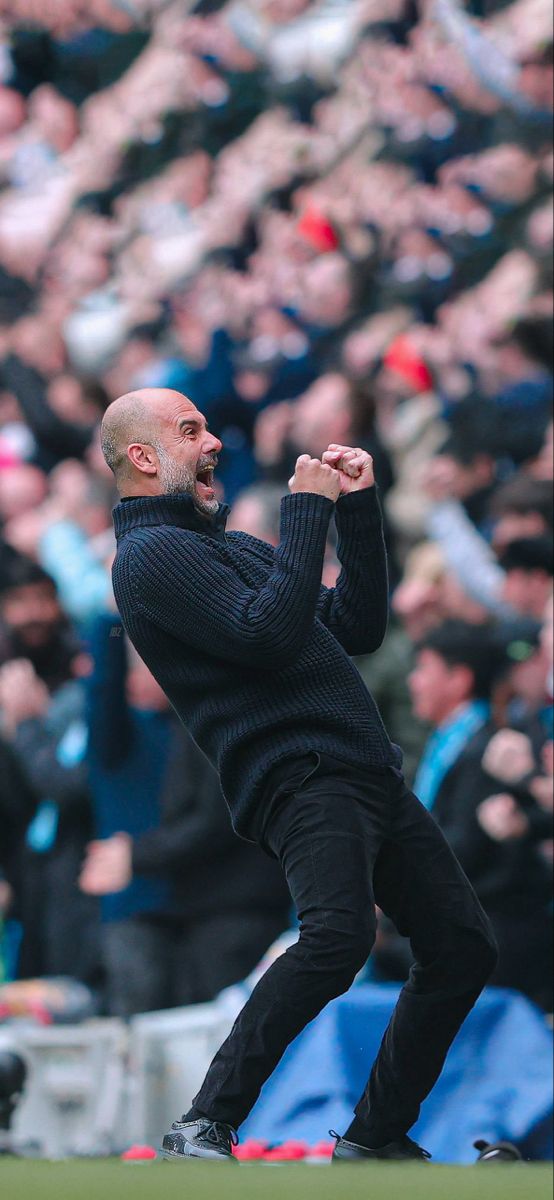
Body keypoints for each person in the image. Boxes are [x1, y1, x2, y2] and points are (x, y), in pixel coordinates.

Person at [100, 386, 496, 1165]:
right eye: (191, 431)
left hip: (361, 770)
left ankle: (375, 1135)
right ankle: (205, 1121)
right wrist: (304, 512)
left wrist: (355, 509)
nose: (213, 441)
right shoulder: (149, 557)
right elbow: (268, 636)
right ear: (143, 459)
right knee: (338, 935)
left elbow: (356, 625)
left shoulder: (222, 547)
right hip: (302, 775)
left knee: (461, 946)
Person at [409, 620, 552, 1009]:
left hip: (493, 933)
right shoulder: (452, 742)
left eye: (423, 669)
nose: (413, 682)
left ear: (458, 679)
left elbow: (458, 851)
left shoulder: (488, 747)